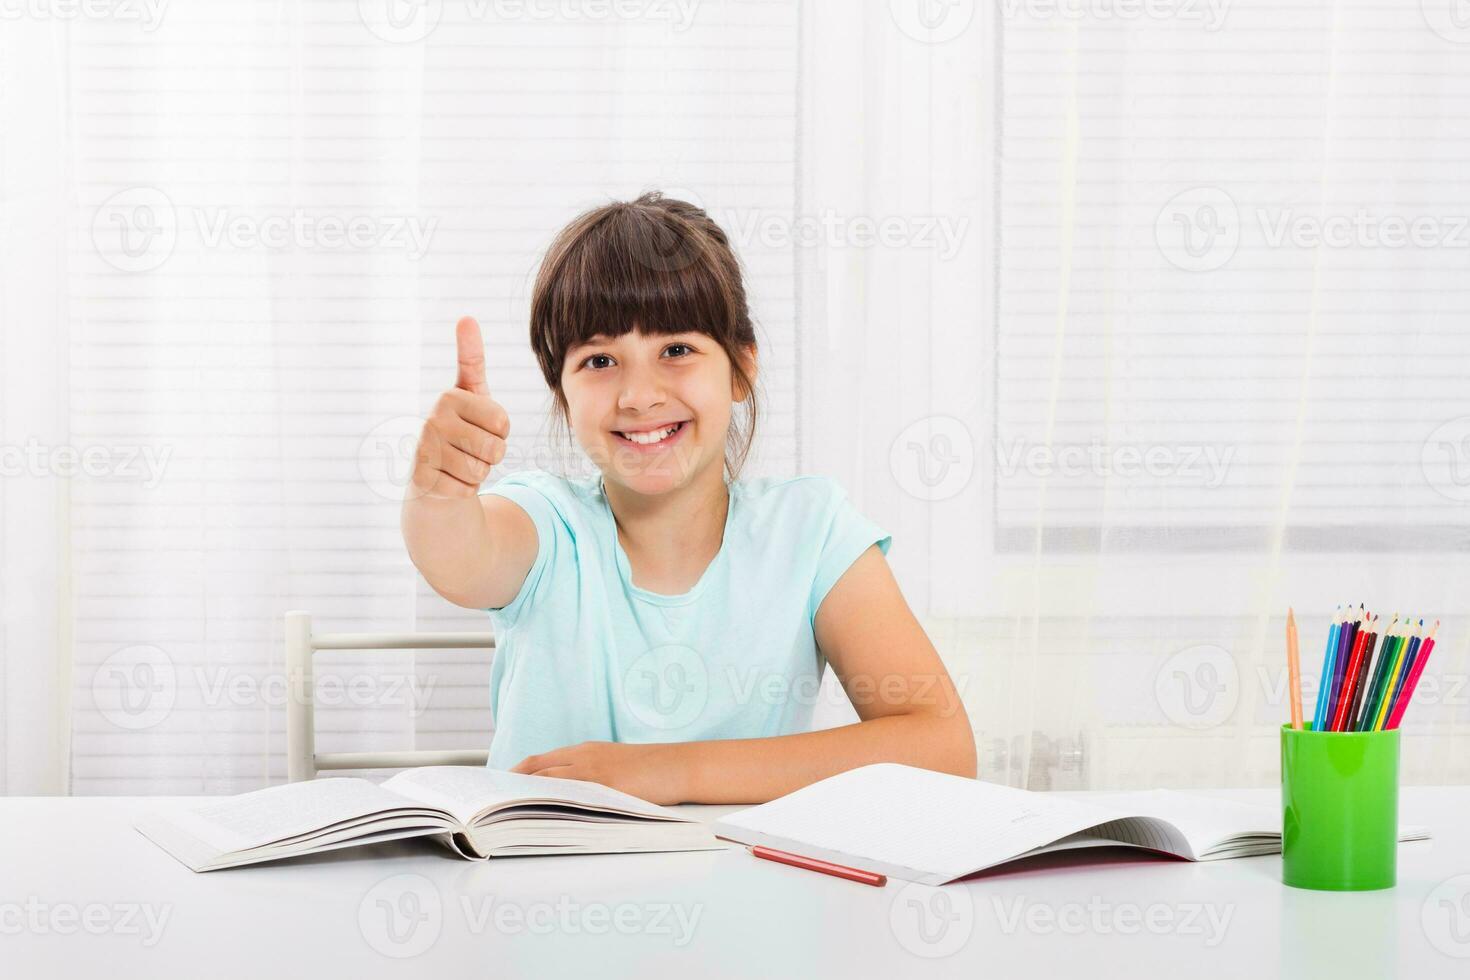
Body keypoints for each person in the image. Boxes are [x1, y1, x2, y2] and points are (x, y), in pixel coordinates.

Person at [402, 192, 974, 804]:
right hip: (542, 891)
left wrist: (671, 771)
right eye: (599, 360)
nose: (639, 396)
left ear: (740, 369)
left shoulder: (810, 532)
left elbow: (942, 748)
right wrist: (439, 492)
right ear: (562, 395)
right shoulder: (548, 525)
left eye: (676, 350)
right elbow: (459, 556)